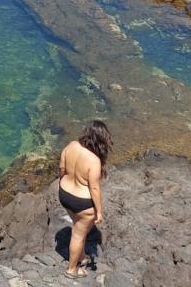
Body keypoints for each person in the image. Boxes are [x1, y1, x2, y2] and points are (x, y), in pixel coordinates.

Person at [58, 120, 112, 280]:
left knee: (77, 225)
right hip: (82, 202)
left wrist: (62, 186)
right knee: (78, 235)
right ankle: (72, 270)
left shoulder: (71, 145)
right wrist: (99, 212)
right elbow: (94, 188)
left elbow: (61, 169)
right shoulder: (94, 161)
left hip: (64, 193)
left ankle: (81, 257)